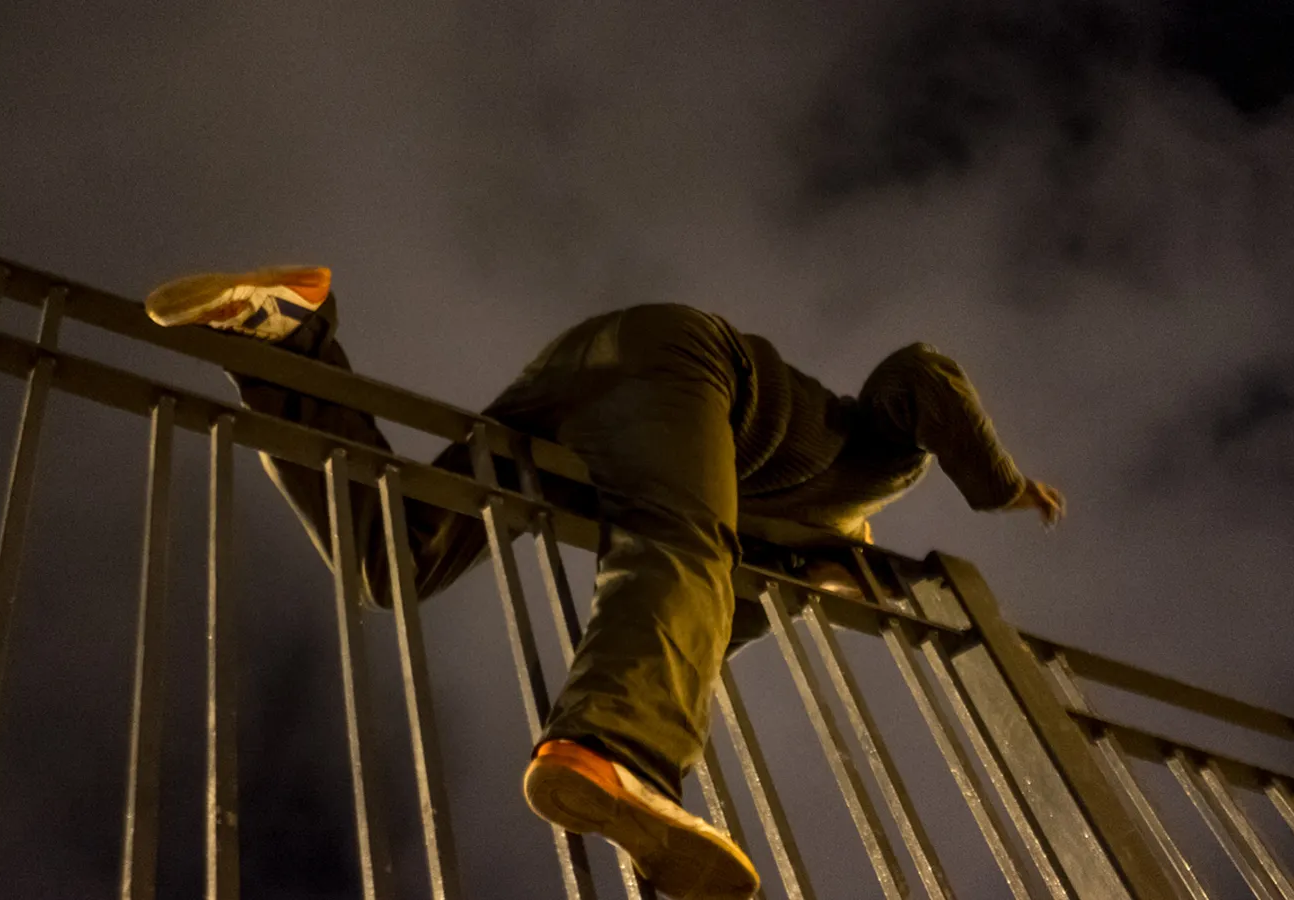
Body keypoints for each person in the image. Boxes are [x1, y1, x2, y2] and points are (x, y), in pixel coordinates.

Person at [144, 265, 1065, 900]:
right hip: (681, 361)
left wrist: (657, 843)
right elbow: (918, 373)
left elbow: (683, 645)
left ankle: (284, 332)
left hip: (574, 405)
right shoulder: (874, 466)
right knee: (679, 543)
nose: (824, 601)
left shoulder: (762, 573)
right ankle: (612, 751)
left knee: (398, 559)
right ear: (856, 551)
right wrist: (1002, 485)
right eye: (843, 584)